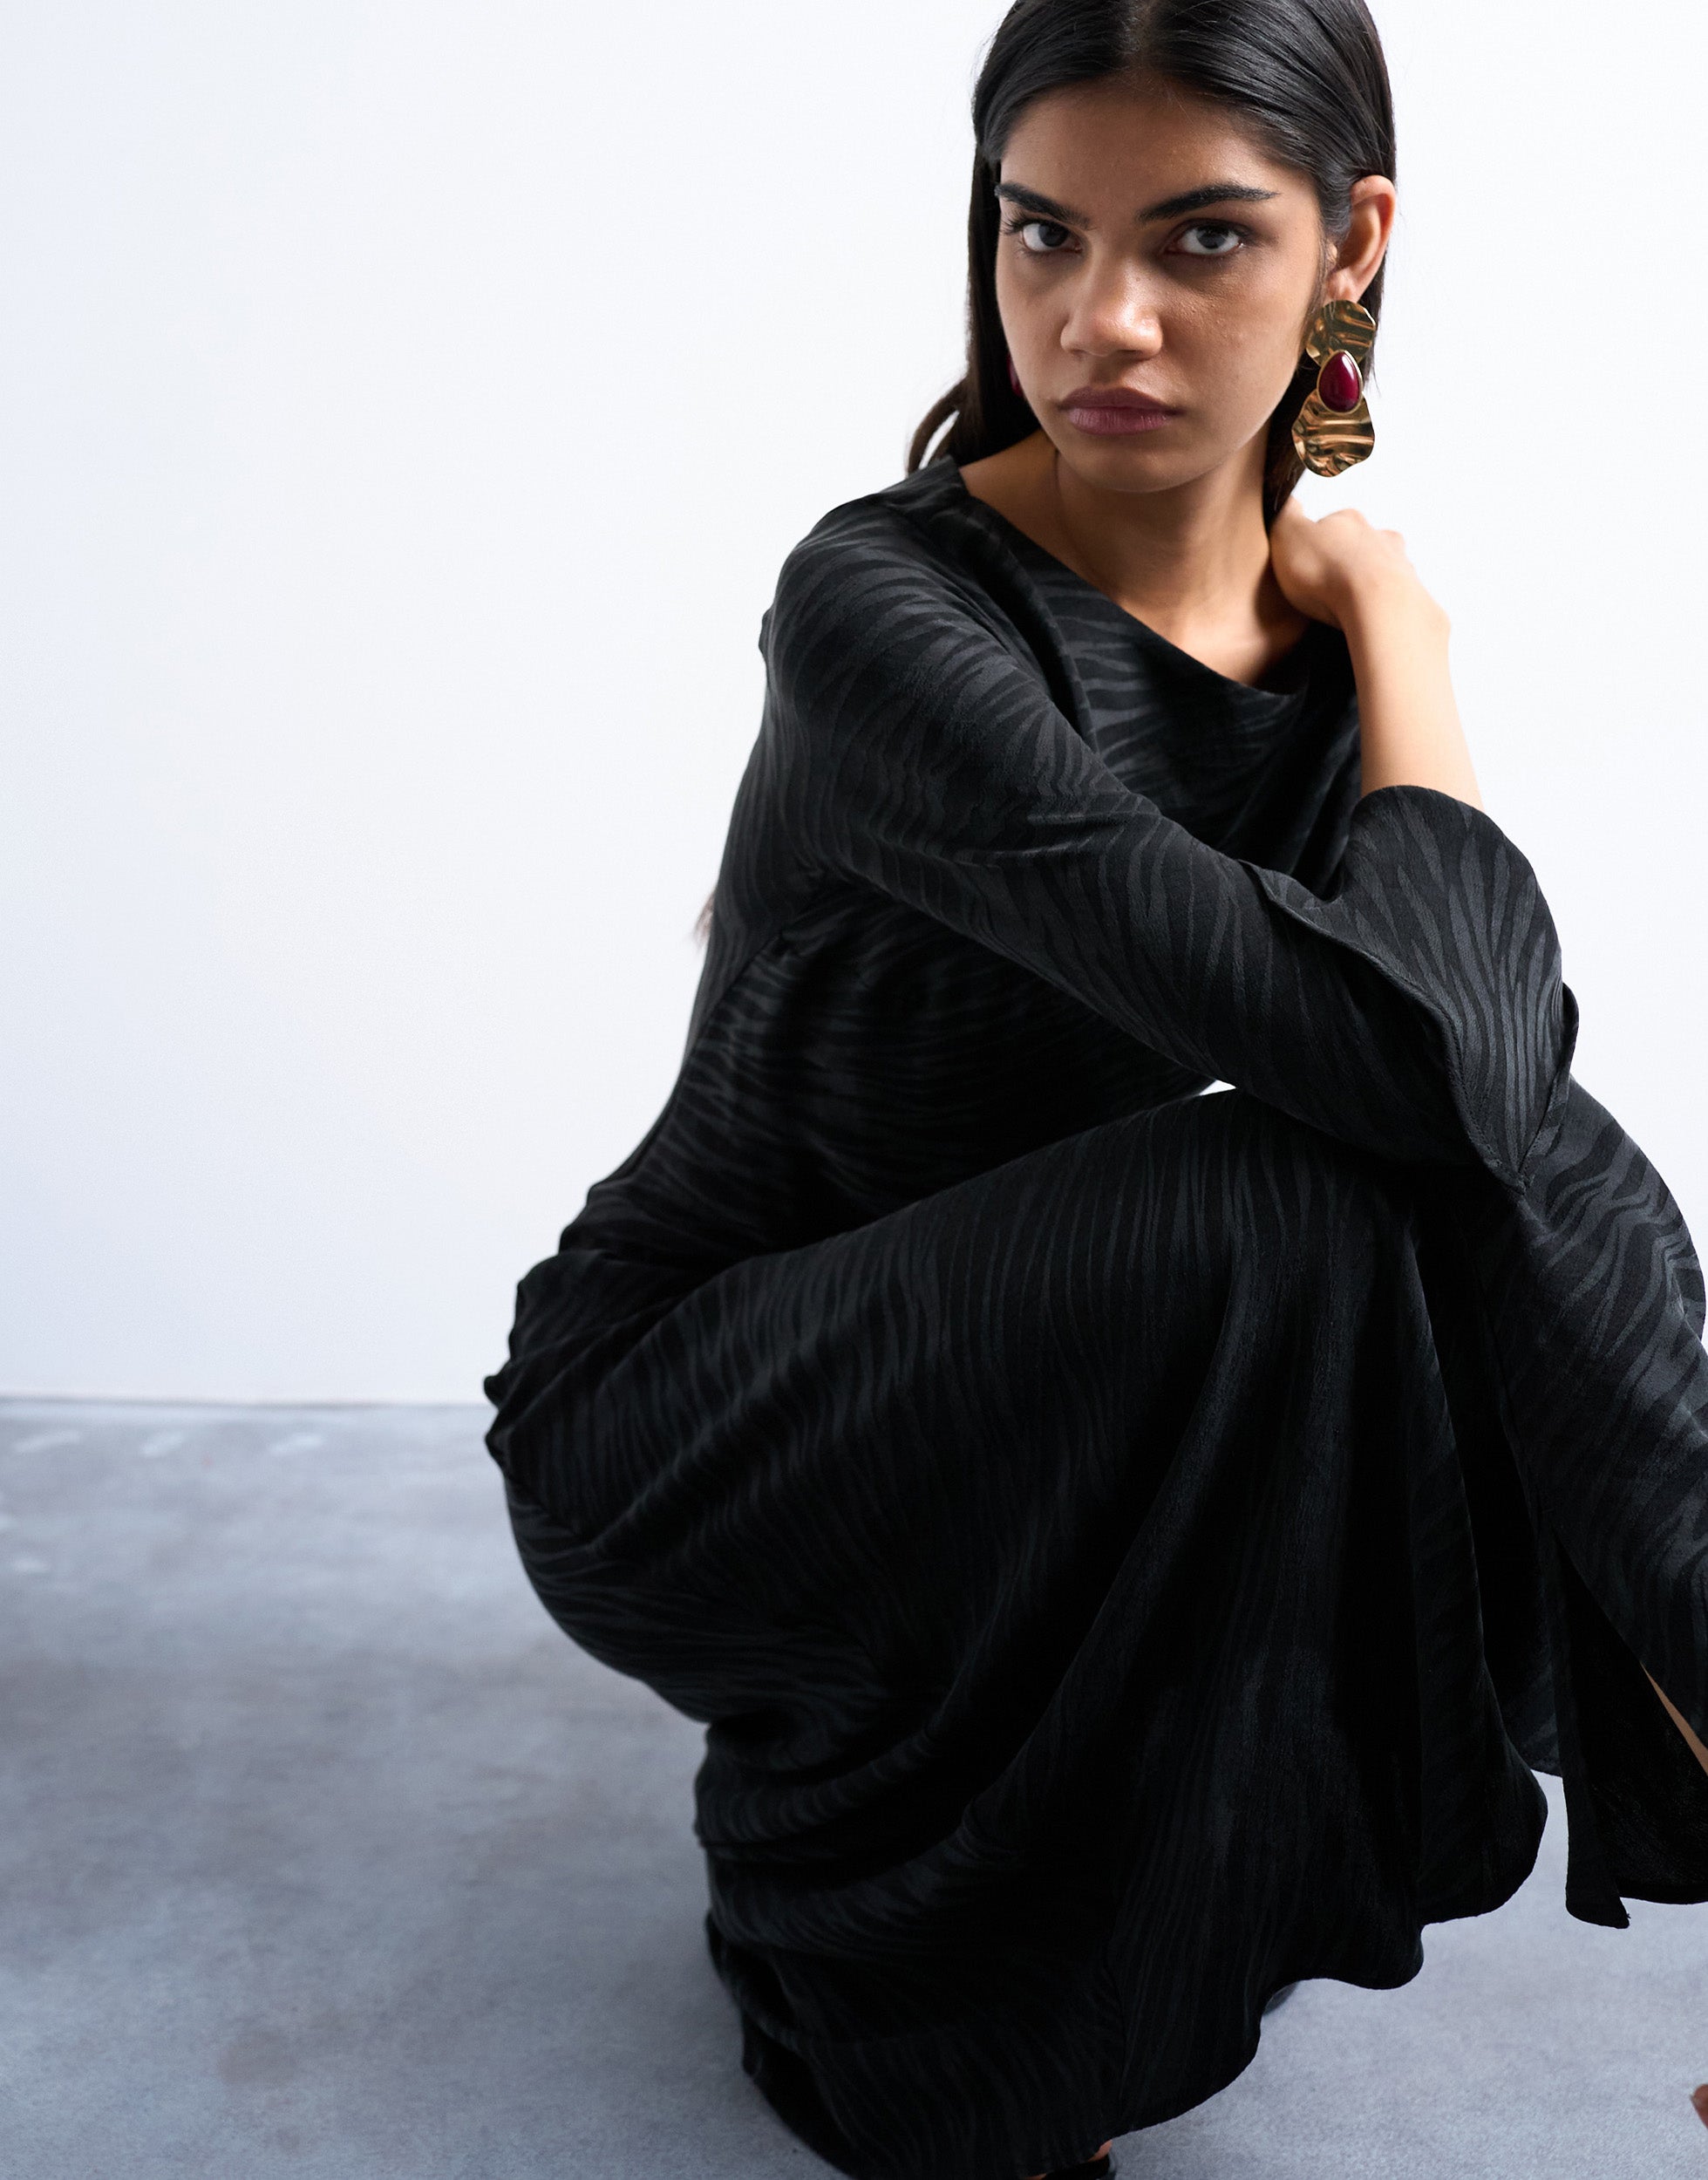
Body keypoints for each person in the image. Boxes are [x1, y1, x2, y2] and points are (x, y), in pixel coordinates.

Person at [484, 3, 1708, 2173]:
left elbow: (1494, 1098)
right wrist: (1406, 630)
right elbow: (1427, 1067)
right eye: (1041, 232)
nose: (1096, 318)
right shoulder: (887, 612)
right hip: (701, 1412)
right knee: (1330, 1172)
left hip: (1094, 1378)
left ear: (1350, 245)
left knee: (1480, 1157)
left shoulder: (1303, 676)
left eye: (1198, 239)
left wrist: (1352, 642)